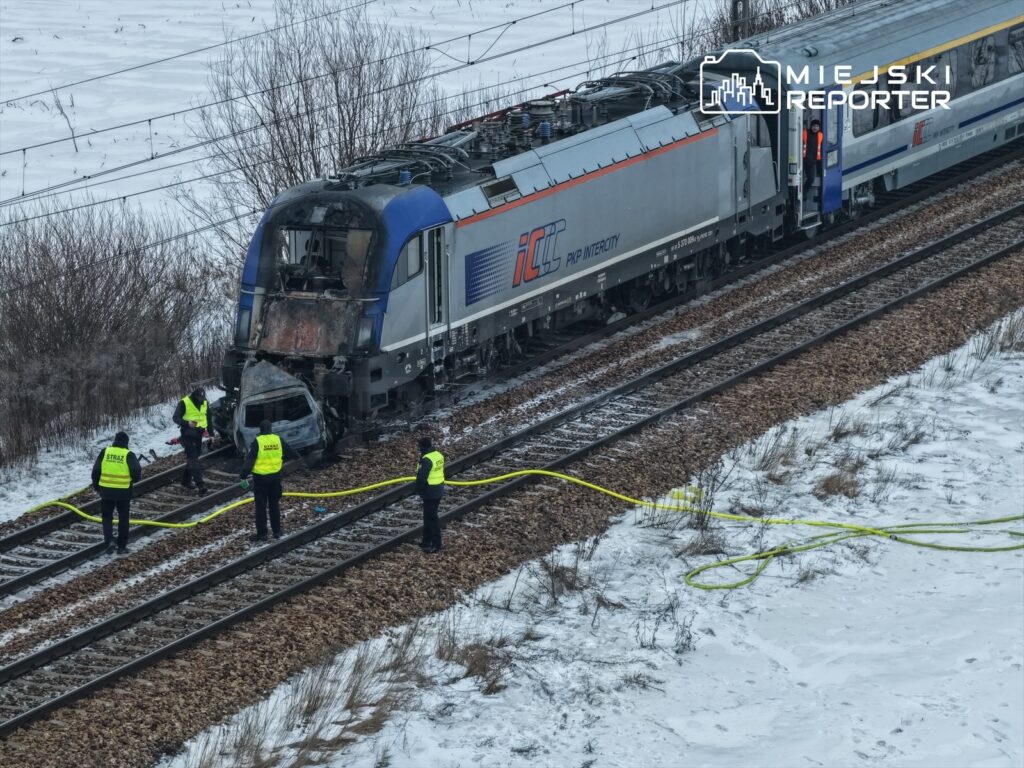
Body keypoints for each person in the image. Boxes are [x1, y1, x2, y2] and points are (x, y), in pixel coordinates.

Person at [240, 419, 299, 542]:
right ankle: (277, 531)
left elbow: (250, 460)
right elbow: (291, 451)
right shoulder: (278, 439)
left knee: (261, 506)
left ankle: (262, 534)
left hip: (261, 479)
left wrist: (243, 475)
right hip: (275, 477)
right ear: (271, 429)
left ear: (260, 430)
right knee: (274, 504)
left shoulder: (258, 442)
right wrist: (297, 458)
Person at [90, 431, 142, 554]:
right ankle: (122, 546)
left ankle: (109, 542)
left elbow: (96, 471)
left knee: (107, 517)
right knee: (123, 518)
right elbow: (136, 473)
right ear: (126, 443)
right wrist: (131, 481)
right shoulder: (129, 454)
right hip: (123, 492)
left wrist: (97, 486)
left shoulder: (105, 452)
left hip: (106, 491)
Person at [172, 386, 211, 494]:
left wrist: (211, 433)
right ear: (194, 396)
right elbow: (175, 418)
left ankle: (185, 481)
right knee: (193, 458)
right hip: (187, 435)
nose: (200, 401)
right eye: (198, 398)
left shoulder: (204, 402)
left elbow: (209, 417)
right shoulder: (184, 403)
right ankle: (200, 484)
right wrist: (187, 423)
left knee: (193, 458)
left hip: (198, 435)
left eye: (202, 398)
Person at [415, 436, 446, 553]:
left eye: (419, 447)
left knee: (432, 518)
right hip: (438, 489)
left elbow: (422, 477)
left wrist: (418, 490)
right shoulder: (438, 455)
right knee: (428, 516)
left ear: (423, 447)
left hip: (430, 491)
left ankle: (436, 544)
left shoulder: (426, 459)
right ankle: (426, 541)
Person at [802, 118, 823, 193]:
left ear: (819, 127)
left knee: (811, 179)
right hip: (803, 160)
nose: (815, 128)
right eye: (814, 126)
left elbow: (821, 148)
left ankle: (804, 191)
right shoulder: (805, 133)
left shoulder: (821, 135)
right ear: (811, 126)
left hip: (813, 161)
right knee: (799, 178)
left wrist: (819, 161)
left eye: (817, 126)